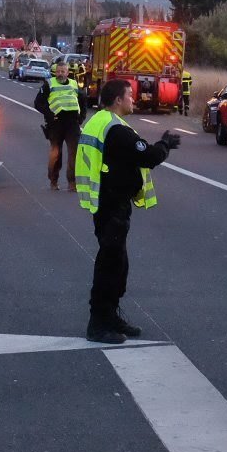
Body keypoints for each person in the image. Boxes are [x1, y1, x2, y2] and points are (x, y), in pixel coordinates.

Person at [75, 78, 180, 344]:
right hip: (112, 205)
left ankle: (110, 315)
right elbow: (149, 157)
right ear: (118, 100)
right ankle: (98, 324)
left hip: (106, 202)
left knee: (118, 264)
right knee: (110, 265)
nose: (134, 99)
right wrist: (165, 144)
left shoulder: (99, 121)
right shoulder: (116, 129)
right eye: (130, 95)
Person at [35, 60, 85, 191]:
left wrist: (81, 118)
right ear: (55, 72)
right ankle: (53, 180)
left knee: (74, 154)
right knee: (56, 154)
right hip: (55, 124)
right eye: (58, 71)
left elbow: (83, 100)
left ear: (68, 72)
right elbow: (38, 103)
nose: (60, 74)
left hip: (72, 124)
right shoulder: (49, 84)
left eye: (63, 71)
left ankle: (72, 183)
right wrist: (50, 115)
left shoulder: (74, 84)